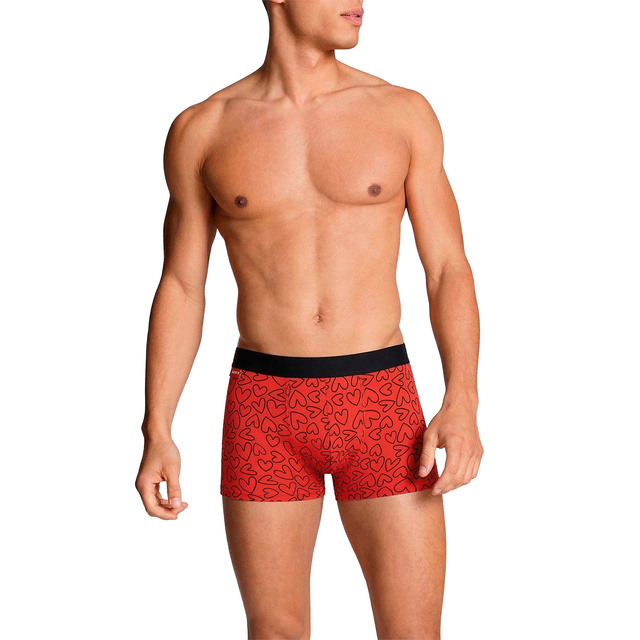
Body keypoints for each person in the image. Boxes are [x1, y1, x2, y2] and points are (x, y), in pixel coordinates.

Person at [135, 1, 483, 638]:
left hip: (379, 402)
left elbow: (447, 269)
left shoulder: (401, 113)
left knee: (412, 632)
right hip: (265, 408)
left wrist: (462, 400)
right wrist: (157, 427)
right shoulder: (203, 128)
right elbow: (182, 285)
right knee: (274, 631)